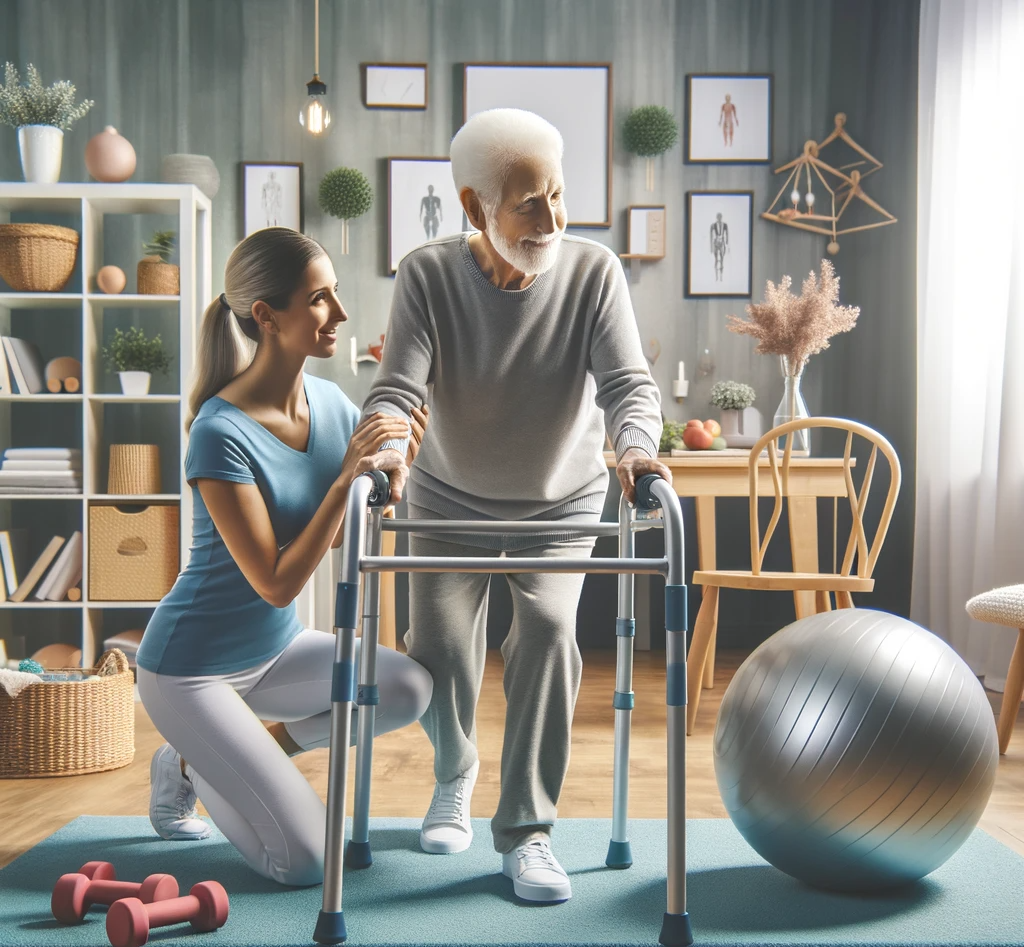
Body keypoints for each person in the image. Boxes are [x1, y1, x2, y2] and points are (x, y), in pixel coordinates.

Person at [362, 108, 670, 904]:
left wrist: (635, 444)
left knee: (550, 631)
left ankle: (527, 832)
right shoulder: (429, 274)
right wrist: (389, 444)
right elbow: (398, 386)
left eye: (558, 197)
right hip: (445, 492)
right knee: (436, 648)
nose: (551, 220)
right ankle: (454, 769)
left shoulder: (593, 272)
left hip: (559, 500)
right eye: (528, 203)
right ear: (475, 208)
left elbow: (629, 386)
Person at [135, 227, 433, 887]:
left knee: (410, 689)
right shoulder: (219, 432)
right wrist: (342, 480)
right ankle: (199, 757)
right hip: (191, 671)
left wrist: (393, 471)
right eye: (319, 299)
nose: (341, 314)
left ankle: (192, 761)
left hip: (273, 651)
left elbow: (333, 531)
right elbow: (274, 581)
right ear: (266, 317)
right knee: (303, 865)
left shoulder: (330, 403)